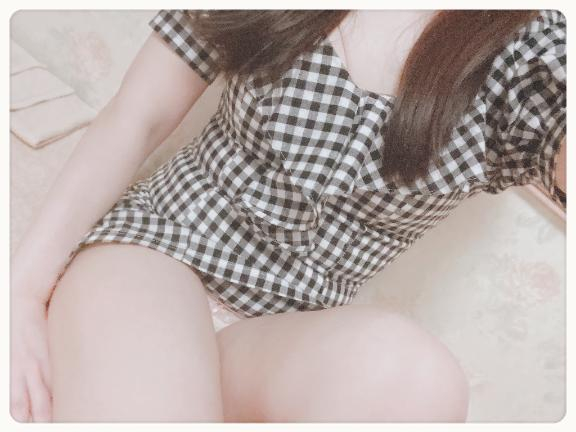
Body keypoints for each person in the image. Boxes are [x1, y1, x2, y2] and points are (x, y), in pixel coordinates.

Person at [10, 9, 566, 423]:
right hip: (160, 252)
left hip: (280, 341)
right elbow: (139, 115)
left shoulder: (532, 54)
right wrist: (22, 293)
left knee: (420, 381)